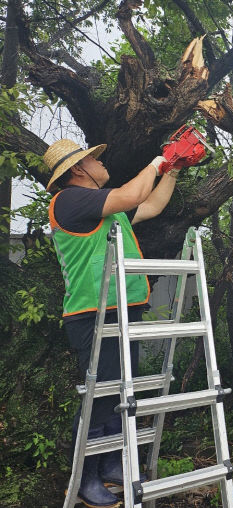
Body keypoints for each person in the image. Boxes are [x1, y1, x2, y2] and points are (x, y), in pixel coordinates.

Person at [44, 138, 180, 508]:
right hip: (93, 313)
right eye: (94, 160)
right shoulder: (69, 201)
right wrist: (158, 160)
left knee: (121, 393)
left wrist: (173, 168)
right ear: (78, 170)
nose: (101, 163)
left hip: (123, 308)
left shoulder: (104, 209)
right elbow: (132, 194)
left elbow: (150, 204)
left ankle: (109, 466)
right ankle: (85, 478)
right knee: (100, 397)